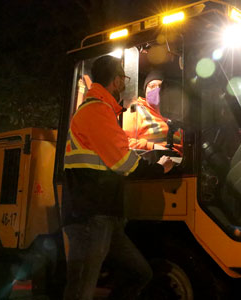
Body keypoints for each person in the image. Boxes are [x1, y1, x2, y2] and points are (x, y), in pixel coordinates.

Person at [62, 55, 174, 300]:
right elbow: (123, 161)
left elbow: (117, 155)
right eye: (123, 77)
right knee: (80, 289)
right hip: (89, 215)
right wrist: (159, 168)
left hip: (105, 215)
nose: (125, 82)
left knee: (140, 274)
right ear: (115, 81)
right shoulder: (96, 111)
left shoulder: (103, 111)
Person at [123, 70, 182, 151]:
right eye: (152, 86)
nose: (157, 90)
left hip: (179, 160)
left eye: (161, 86)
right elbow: (123, 141)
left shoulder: (175, 116)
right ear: (145, 90)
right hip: (153, 160)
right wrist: (152, 147)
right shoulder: (135, 111)